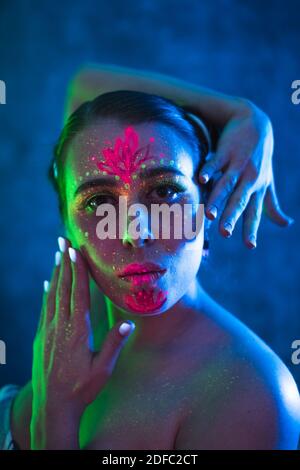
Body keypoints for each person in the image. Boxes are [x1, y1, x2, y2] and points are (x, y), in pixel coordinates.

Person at [1, 66, 299, 450]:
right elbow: (87, 85)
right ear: (67, 227)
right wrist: (243, 115)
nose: (132, 232)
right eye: (99, 201)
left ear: (208, 201)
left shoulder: (249, 396)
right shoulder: (97, 297)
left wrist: (55, 414)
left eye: (163, 192)